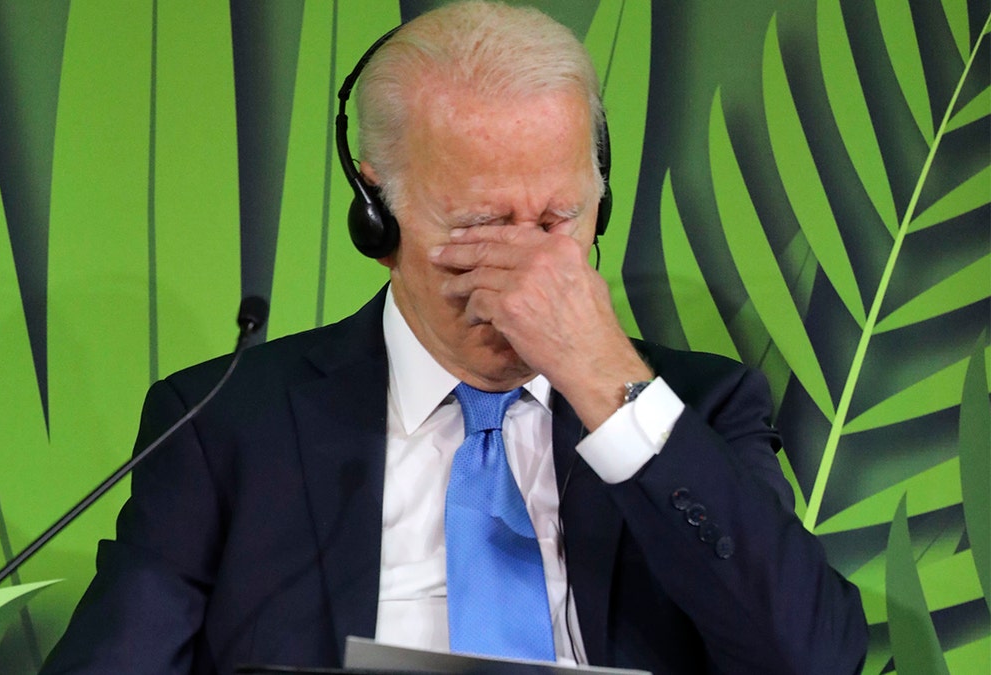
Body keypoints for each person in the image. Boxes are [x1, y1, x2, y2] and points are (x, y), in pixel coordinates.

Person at [43, 2, 868, 673]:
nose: (524, 265)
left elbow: (814, 657)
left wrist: (608, 384)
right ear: (378, 212)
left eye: (558, 218)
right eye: (479, 224)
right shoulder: (224, 427)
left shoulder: (700, 409)